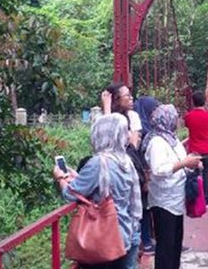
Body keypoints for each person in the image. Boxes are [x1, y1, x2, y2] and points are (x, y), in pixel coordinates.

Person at [53, 114, 142, 269]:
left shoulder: (98, 162)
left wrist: (60, 178)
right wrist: (80, 177)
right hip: (125, 233)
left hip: (104, 237)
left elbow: (70, 194)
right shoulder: (125, 160)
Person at [145, 105, 203, 269]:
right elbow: (158, 169)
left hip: (176, 197)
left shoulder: (172, 139)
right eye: (175, 116)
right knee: (166, 245)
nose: (178, 120)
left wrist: (191, 163)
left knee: (175, 243)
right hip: (164, 201)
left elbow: (178, 162)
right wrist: (184, 163)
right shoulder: (156, 141)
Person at [101, 83, 143, 268]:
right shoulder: (103, 161)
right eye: (127, 95)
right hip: (113, 212)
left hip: (126, 204)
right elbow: (105, 143)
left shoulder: (132, 117)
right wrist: (107, 110)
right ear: (116, 99)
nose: (131, 98)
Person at [134, 96, 161, 256]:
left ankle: (148, 239)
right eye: (153, 110)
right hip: (143, 176)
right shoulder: (142, 130)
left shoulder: (145, 126)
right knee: (144, 208)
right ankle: (146, 241)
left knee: (147, 208)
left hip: (147, 175)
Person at [183, 91, 208, 207]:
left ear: (193, 102)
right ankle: (207, 201)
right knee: (207, 176)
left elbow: (187, 126)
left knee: (195, 175)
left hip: (194, 150)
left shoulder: (188, 116)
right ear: (204, 102)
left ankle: (195, 198)